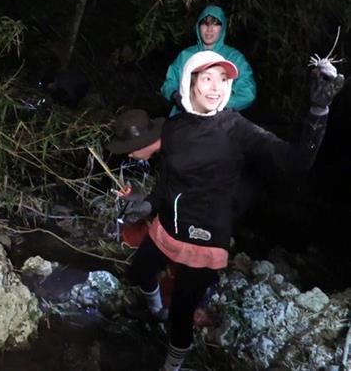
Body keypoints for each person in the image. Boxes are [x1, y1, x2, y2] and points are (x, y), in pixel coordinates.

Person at [109, 49, 343, 371]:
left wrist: (318, 111)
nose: (215, 86)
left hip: (205, 238)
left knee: (182, 310)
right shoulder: (175, 129)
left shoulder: (237, 129)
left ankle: (172, 364)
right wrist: (146, 204)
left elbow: (296, 162)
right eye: (206, 77)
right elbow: (168, 183)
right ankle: (154, 311)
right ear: (191, 82)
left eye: (222, 79)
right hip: (166, 227)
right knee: (141, 270)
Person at [161, 5, 255, 114]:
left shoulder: (234, 58)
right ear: (198, 27)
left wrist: (217, 104)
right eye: (205, 24)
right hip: (184, 117)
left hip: (219, 121)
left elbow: (248, 93)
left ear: (222, 28)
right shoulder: (185, 55)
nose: (209, 29)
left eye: (215, 24)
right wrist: (176, 96)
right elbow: (169, 83)